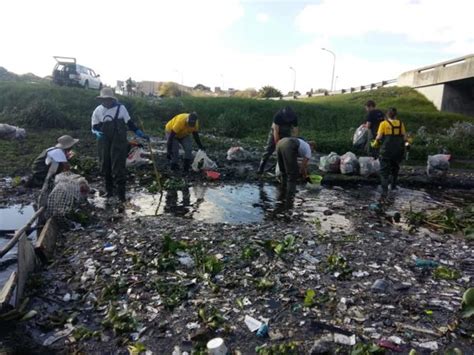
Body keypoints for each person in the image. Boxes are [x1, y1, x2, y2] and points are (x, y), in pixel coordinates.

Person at [91, 87, 149, 201]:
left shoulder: (121, 108)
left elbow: (129, 123)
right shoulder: (98, 110)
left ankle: (121, 195)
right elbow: (94, 127)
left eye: (108, 99)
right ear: (101, 100)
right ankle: (109, 192)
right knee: (105, 164)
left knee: (118, 166)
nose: (106, 102)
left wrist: (138, 132)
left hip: (119, 140)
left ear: (112, 99)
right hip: (103, 140)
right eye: (104, 99)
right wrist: (96, 132)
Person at [372, 107, 407, 199]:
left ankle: (384, 191)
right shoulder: (400, 123)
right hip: (398, 151)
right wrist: (407, 146)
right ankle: (393, 187)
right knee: (395, 169)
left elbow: (378, 138)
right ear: (396, 115)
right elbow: (405, 138)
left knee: (384, 171)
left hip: (386, 151)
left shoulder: (383, 124)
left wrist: (375, 144)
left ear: (387, 115)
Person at [258, 106, 299, 174]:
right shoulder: (278, 116)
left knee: (285, 150)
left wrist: (294, 140)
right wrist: (277, 144)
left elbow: (295, 130)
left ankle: (281, 169)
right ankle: (261, 168)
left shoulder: (294, 117)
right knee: (268, 150)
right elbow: (275, 131)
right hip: (275, 132)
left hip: (286, 133)